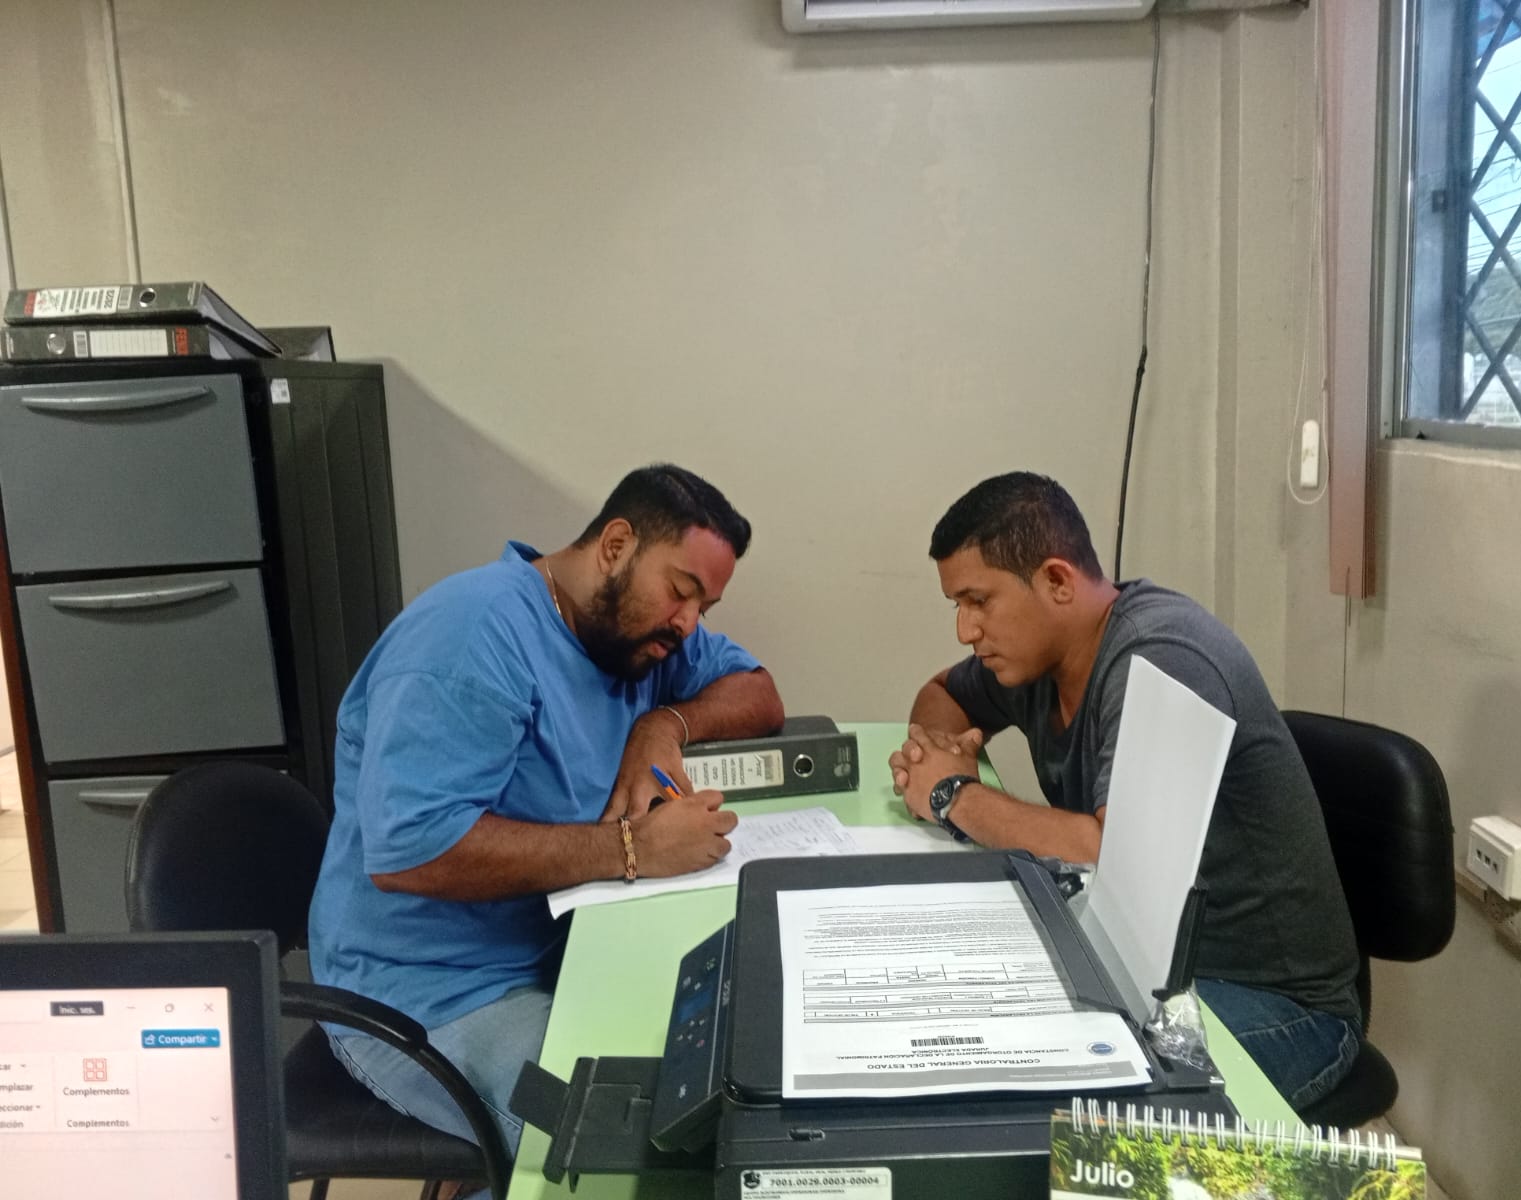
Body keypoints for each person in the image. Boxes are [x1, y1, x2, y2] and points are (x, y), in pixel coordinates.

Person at [308, 463, 784, 1159]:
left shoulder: (631, 634)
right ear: (616, 546)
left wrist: (663, 726)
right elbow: (411, 853)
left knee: (736, 1072)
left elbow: (759, 694)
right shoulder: (471, 636)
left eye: (703, 609)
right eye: (681, 592)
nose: (687, 624)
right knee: (621, 1146)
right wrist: (633, 849)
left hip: (564, 946)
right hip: (430, 997)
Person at [887, 471, 1360, 1111]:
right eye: (957, 606)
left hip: (1277, 1004)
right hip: (1140, 963)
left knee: (1055, 1112)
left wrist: (955, 795)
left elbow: (1114, 854)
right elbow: (942, 692)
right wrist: (940, 749)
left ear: (1057, 581)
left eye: (979, 601)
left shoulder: (1164, 655)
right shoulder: (1038, 656)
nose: (965, 631)